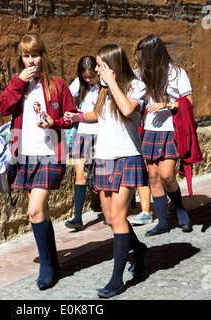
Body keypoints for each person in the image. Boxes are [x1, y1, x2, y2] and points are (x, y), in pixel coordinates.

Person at [64, 44, 148, 298]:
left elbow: (126, 109)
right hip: (103, 159)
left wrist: (112, 82)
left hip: (127, 158)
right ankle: (139, 249)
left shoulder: (135, 86)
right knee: (111, 218)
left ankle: (117, 279)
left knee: (119, 217)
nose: (97, 69)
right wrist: (77, 117)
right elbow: (98, 115)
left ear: (112, 65)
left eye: (100, 64)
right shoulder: (101, 90)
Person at [0, 34, 77, 289]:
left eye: (35, 55)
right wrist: (18, 83)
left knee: (33, 210)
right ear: (20, 58)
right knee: (40, 211)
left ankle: (45, 267)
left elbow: (73, 117)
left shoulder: (58, 86)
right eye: (25, 55)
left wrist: (55, 122)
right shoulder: (18, 85)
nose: (30, 60)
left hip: (51, 154)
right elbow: (3, 107)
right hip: (25, 156)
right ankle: (54, 262)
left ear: (43, 55)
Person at [134, 34, 193, 236]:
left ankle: (179, 208)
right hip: (150, 130)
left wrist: (167, 104)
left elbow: (188, 103)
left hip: (170, 130)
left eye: (145, 55)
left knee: (167, 175)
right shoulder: (141, 73)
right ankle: (162, 222)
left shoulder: (177, 73)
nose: (142, 59)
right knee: (153, 176)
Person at [65, 56, 99, 231]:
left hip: (100, 134)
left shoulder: (104, 85)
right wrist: (74, 111)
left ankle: (110, 210)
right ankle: (78, 217)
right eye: (85, 77)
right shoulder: (79, 84)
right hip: (83, 133)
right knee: (80, 175)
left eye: (91, 76)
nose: (88, 80)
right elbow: (66, 98)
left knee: (100, 173)